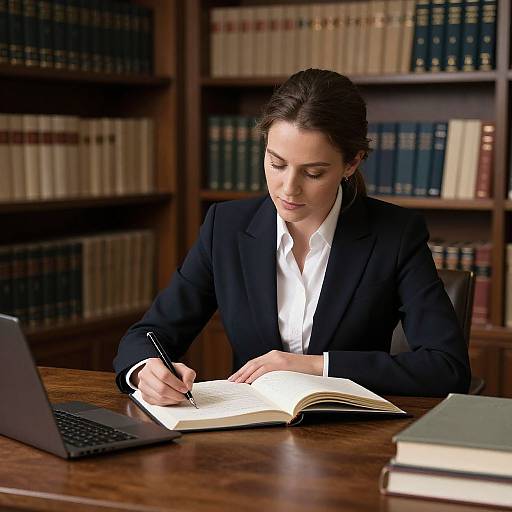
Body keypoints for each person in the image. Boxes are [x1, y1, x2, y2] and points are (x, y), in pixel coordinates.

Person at [113, 69, 470, 405]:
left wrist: (316, 366)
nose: (288, 189)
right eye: (276, 163)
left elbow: (446, 368)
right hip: (250, 433)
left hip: (351, 438)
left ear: (352, 163)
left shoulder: (396, 234)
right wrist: (146, 370)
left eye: (313, 172)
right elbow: (148, 335)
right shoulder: (226, 227)